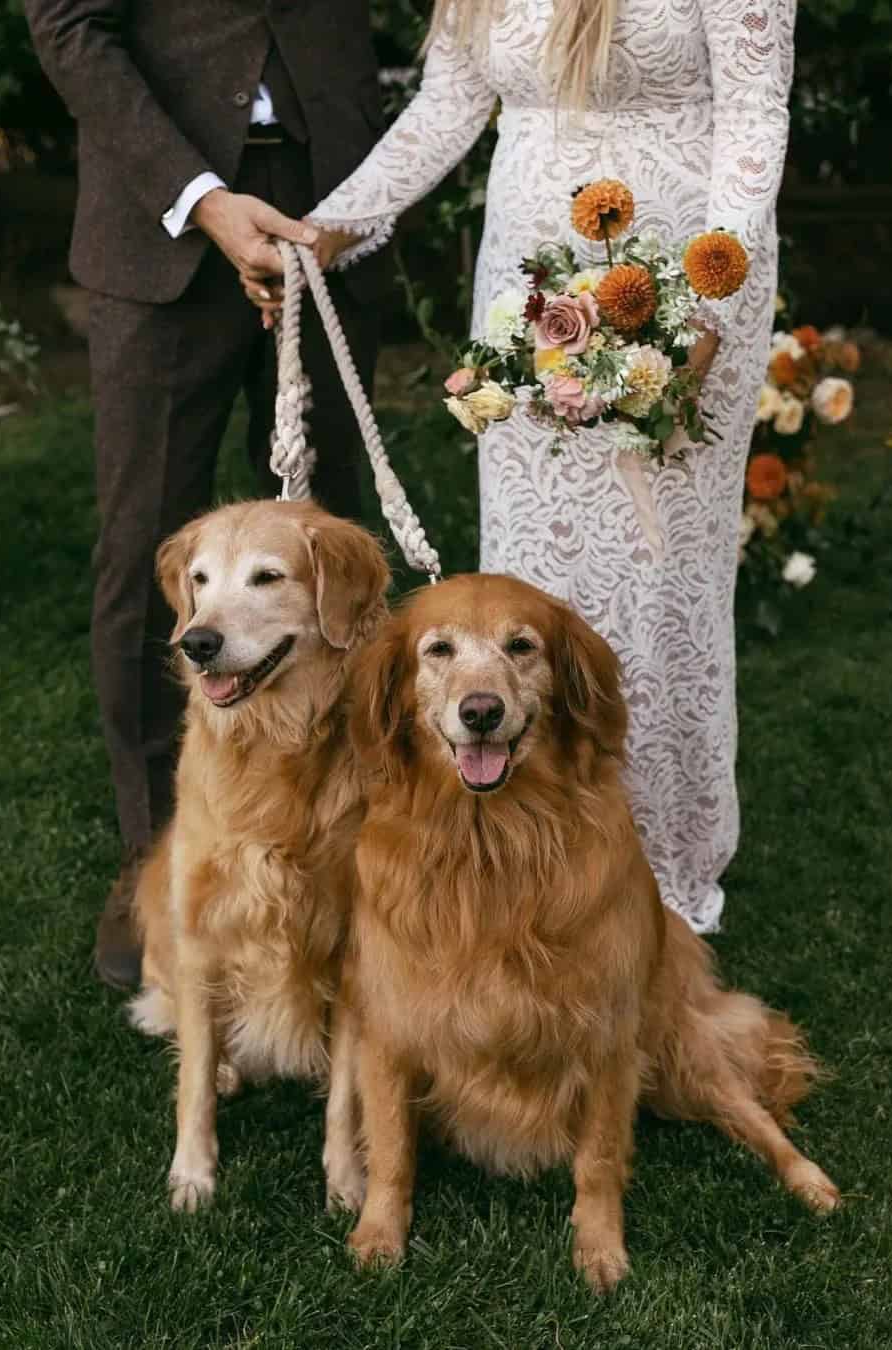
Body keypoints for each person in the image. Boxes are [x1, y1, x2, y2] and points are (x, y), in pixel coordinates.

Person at [249, 0, 796, 935]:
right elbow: (448, 103)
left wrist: (705, 312)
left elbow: (755, 116)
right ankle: (537, 856)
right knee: (525, 600)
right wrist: (332, 224)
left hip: (678, 284)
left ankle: (657, 883)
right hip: (526, 302)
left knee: (657, 592)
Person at [25, 0, 390, 987]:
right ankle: (161, 855)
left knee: (340, 564)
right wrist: (201, 196)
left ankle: (351, 846)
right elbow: (68, 25)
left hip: (333, 203)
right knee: (150, 553)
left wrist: (378, 189)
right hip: (164, 220)